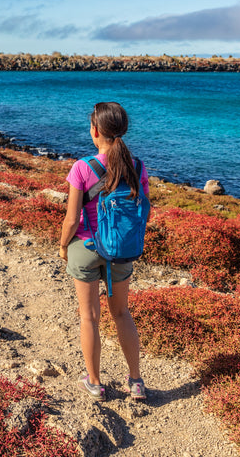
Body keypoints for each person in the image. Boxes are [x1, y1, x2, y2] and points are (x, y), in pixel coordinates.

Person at [59, 102, 149, 401]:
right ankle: (136, 382)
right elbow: (144, 212)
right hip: (121, 251)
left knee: (89, 317)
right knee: (122, 313)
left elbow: (72, 220)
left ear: (95, 131)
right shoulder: (136, 166)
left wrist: (62, 247)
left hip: (86, 248)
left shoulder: (83, 167)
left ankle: (95, 383)